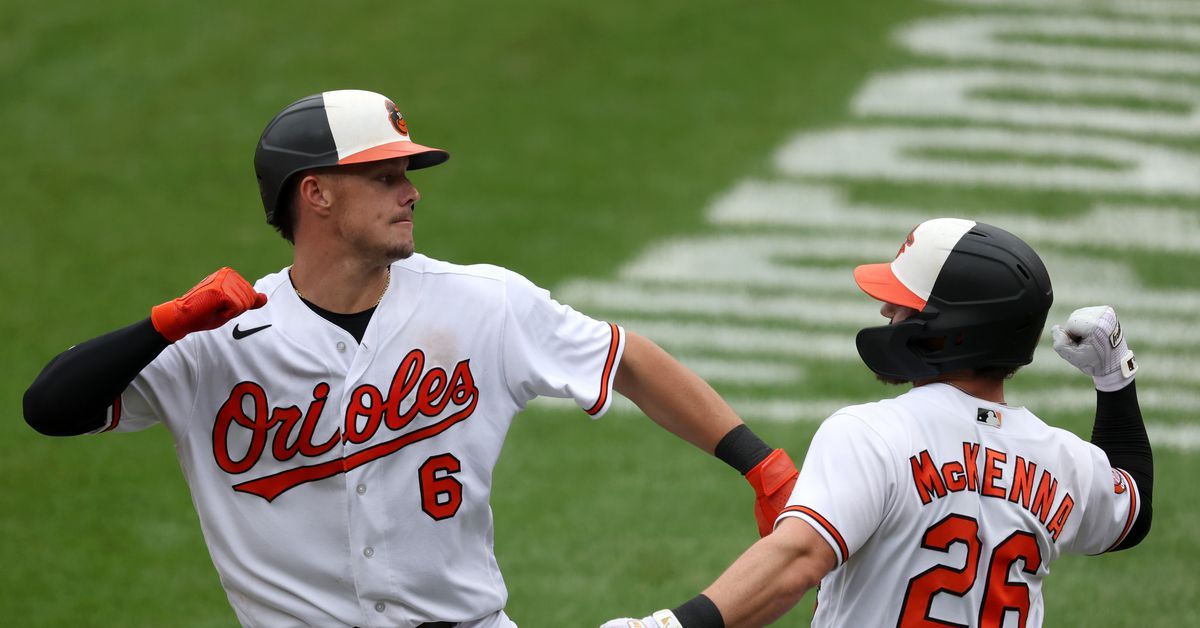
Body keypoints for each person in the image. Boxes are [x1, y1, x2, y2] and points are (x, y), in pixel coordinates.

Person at [22, 89, 800, 628]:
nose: (411, 192)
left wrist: (760, 465)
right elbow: (49, 409)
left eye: (407, 175)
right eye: (385, 175)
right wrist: (163, 325)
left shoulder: (479, 303)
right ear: (316, 194)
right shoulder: (216, 343)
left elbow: (626, 358)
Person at [603, 218, 1153, 627]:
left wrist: (673, 625)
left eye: (905, 306)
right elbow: (1134, 510)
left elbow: (796, 560)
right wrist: (1114, 378)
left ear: (952, 329)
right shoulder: (1065, 462)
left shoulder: (874, 434)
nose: (888, 316)